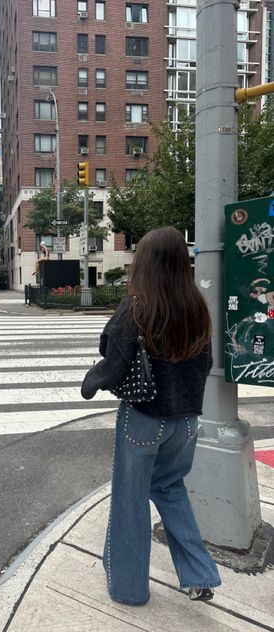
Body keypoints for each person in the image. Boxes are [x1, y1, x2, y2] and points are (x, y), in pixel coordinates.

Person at [81, 226, 221, 605]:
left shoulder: (137, 305)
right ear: (182, 261)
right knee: (170, 488)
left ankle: (129, 588)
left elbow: (113, 358)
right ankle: (199, 575)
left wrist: (90, 383)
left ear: (144, 262)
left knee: (130, 500)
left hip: (144, 417)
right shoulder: (196, 306)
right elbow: (204, 363)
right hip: (186, 421)